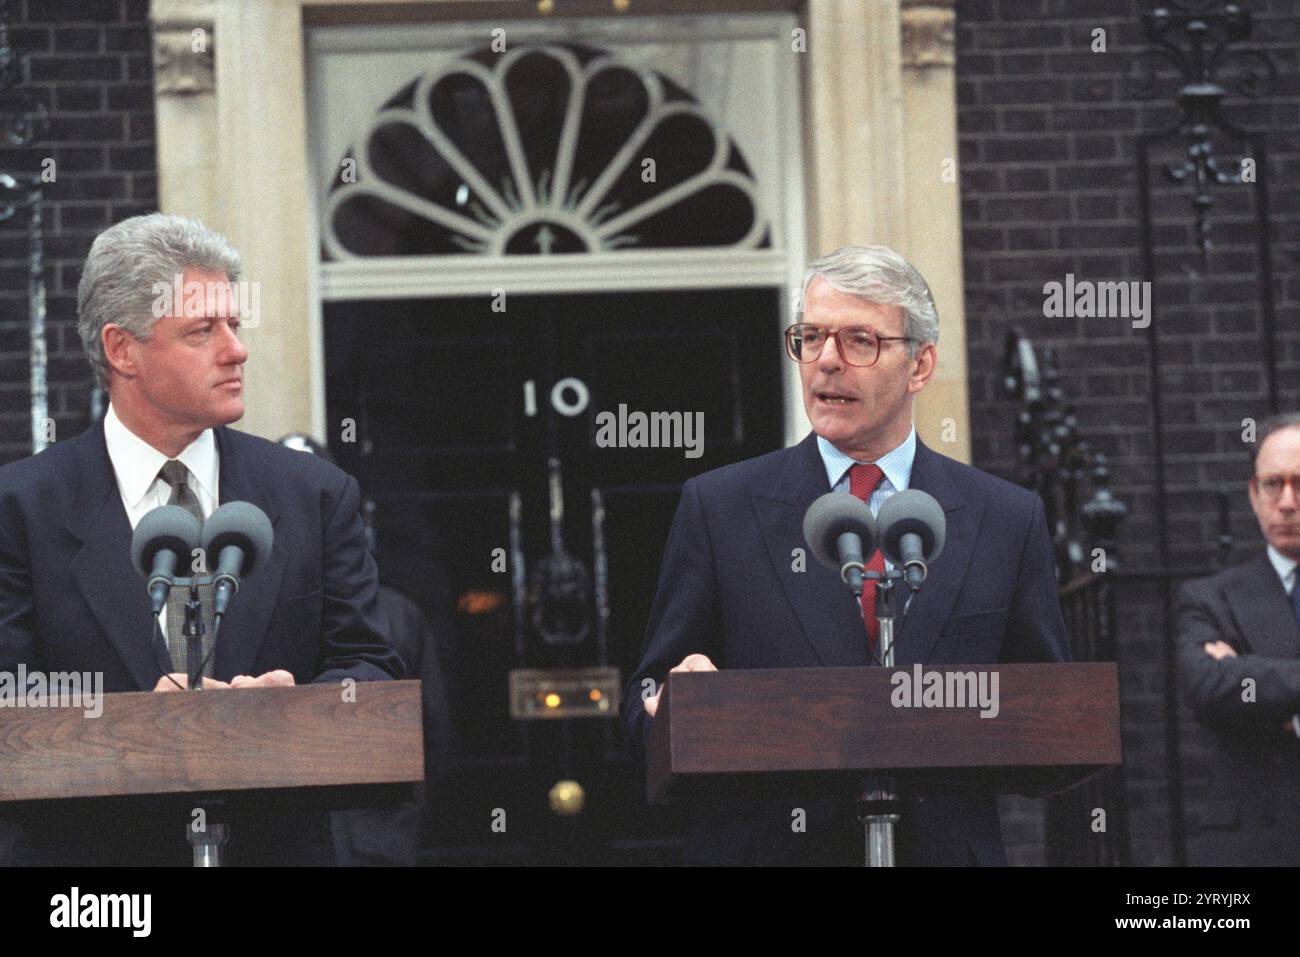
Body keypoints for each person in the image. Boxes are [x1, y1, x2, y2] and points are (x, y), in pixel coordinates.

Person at [621, 244, 1070, 866]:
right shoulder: (720, 508)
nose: (827, 362)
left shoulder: (1005, 518)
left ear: (920, 365)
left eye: (859, 340)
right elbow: (644, 703)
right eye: (811, 337)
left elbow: (1053, 719)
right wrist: (668, 705)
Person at [0, 214, 403, 865]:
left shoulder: (314, 495)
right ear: (121, 349)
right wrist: (129, 719)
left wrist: (293, 704)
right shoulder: (20, 508)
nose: (235, 349)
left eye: (234, 325)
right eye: (202, 330)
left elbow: (373, 666)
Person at [1176, 412, 1300, 866]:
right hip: (1255, 845)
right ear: (1253, 493)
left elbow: (1237, 684)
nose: (1287, 501)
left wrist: (1250, 673)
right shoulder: (1211, 598)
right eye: (1273, 484)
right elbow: (1208, 688)